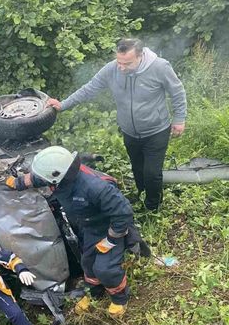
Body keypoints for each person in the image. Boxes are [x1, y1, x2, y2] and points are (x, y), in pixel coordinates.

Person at [47, 38, 187, 211]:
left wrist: (179, 119)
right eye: (119, 62)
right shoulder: (112, 69)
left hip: (156, 130)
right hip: (129, 131)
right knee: (137, 167)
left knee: (152, 173)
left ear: (140, 56)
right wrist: (62, 105)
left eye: (127, 63)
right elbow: (89, 89)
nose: (121, 67)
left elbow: (177, 92)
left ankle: (153, 207)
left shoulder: (160, 67)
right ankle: (142, 193)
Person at [5, 145, 135, 317]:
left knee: (105, 268)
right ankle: (94, 292)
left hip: (107, 228)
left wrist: (111, 240)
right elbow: (38, 178)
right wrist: (17, 182)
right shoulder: (60, 175)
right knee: (88, 263)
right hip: (88, 227)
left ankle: (119, 298)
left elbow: (123, 213)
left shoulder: (95, 188)